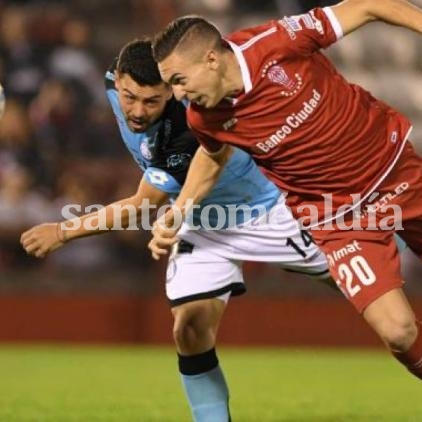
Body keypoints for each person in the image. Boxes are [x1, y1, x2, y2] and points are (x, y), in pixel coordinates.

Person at [148, 2, 422, 421]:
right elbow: (212, 156)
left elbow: (368, 5)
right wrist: (181, 209)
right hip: (335, 217)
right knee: (397, 331)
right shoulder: (203, 115)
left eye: (178, 79)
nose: (177, 94)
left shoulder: (278, 42)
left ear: (211, 59)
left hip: (394, 173)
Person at [20, 39, 335, 422]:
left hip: (267, 212)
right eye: (129, 96)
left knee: (370, 296)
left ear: (171, 88)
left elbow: (142, 204)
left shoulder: (186, 130)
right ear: (116, 79)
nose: (137, 110)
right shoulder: (114, 80)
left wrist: (64, 231)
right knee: (189, 328)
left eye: (151, 101)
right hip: (203, 224)